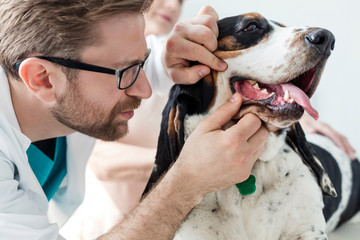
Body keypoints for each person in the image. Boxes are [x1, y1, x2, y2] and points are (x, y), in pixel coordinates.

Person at [0, 1, 269, 239]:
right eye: (126, 71)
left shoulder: (70, 73)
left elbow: (135, 59)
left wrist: (173, 55)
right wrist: (187, 182)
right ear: (43, 79)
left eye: (142, 63)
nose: (145, 90)